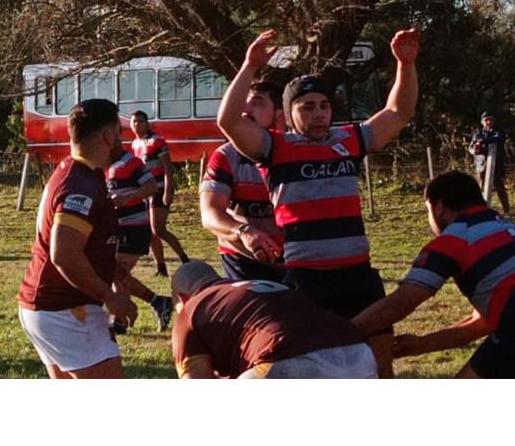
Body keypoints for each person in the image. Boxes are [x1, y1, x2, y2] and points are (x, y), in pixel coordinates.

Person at [216, 27, 420, 377]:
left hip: (359, 276)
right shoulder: (276, 148)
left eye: (324, 105)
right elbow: (228, 121)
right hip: (308, 280)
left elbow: (398, 113)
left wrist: (405, 63)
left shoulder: (351, 138)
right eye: (307, 107)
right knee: (314, 372)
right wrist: (249, 67)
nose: (318, 113)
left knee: (380, 369)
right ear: (289, 114)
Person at [351, 170, 515, 378]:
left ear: (440, 207)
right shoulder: (509, 228)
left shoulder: (455, 237)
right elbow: (481, 323)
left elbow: (403, 301)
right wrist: (421, 344)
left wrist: (339, 332)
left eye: (427, 209)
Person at [17, 99, 140, 378]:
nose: (123, 139)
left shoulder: (75, 172)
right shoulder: (80, 185)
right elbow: (65, 254)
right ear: (107, 136)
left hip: (51, 307)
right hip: (65, 310)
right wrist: (109, 296)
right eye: (119, 132)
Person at [170, 261, 377, 379]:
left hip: (289, 359)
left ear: (182, 297)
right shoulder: (259, 285)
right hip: (359, 354)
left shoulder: (190, 310)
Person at [198, 81, 284, 283]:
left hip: (296, 260)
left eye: (257, 103)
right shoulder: (226, 157)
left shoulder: (298, 152)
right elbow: (209, 215)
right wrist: (243, 231)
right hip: (243, 260)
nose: (245, 110)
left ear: (280, 115)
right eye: (242, 103)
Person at [105, 145, 174, 330]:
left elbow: (151, 186)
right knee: (117, 274)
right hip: (117, 226)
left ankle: (119, 322)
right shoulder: (104, 164)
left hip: (134, 226)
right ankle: (159, 302)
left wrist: (127, 198)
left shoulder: (130, 162)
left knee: (117, 272)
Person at [129, 111, 188, 276]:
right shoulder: (135, 144)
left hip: (159, 188)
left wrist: (168, 190)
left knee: (158, 229)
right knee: (149, 231)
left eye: (140, 121)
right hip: (145, 191)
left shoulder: (157, 141)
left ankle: (184, 258)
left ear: (147, 123)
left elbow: (168, 168)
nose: (137, 125)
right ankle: (161, 268)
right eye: (134, 122)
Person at [470, 113, 510, 214]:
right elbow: (471, 147)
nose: (488, 122)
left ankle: (506, 209)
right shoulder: (478, 133)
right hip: (482, 163)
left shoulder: (498, 131)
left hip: (495, 163)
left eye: (490, 120)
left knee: (499, 186)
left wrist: (482, 141)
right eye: (486, 120)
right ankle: (480, 209)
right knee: (481, 186)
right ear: (482, 122)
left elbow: (499, 138)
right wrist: (476, 149)